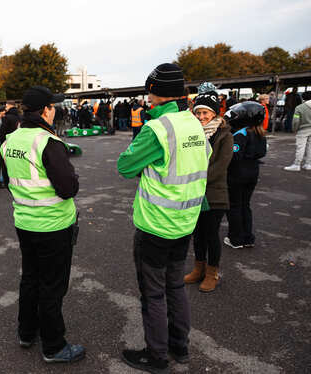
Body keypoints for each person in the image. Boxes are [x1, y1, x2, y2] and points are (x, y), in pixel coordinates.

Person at [117, 63, 211, 373]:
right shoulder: (194, 123)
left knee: (153, 293)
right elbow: (203, 159)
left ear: (155, 94)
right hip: (186, 222)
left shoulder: (157, 129)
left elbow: (125, 166)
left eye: (149, 92)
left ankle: (156, 356)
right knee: (175, 287)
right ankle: (179, 347)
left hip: (155, 225)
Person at [0, 86, 83, 363]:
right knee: (52, 286)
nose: (56, 110)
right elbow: (68, 188)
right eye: (53, 106)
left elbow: (9, 181)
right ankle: (54, 346)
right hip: (54, 225)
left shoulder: (10, 140)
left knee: (31, 279)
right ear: (46, 110)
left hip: (24, 222)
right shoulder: (49, 142)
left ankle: (26, 332)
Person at [184, 89, 233, 293]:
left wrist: (195, 180)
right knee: (198, 234)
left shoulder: (225, 135)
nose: (202, 117)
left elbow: (221, 166)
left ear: (215, 113)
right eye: (198, 113)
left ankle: (212, 273)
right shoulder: (193, 134)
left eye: (206, 113)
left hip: (215, 194)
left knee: (211, 234)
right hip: (195, 193)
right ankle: (198, 268)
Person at [223, 102, 267, 249]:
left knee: (234, 206)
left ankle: (236, 238)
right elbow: (262, 153)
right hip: (253, 173)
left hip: (237, 174)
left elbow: (234, 156)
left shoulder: (241, 134)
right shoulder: (260, 133)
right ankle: (247, 237)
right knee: (245, 205)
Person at [284, 91, 311, 171]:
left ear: (303, 98)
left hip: (303, 129)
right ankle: (308, 164)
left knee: (300, 147)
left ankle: (297, 164)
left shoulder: (299, 108)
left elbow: (296, 121)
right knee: (310, 147)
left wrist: (294, 129)